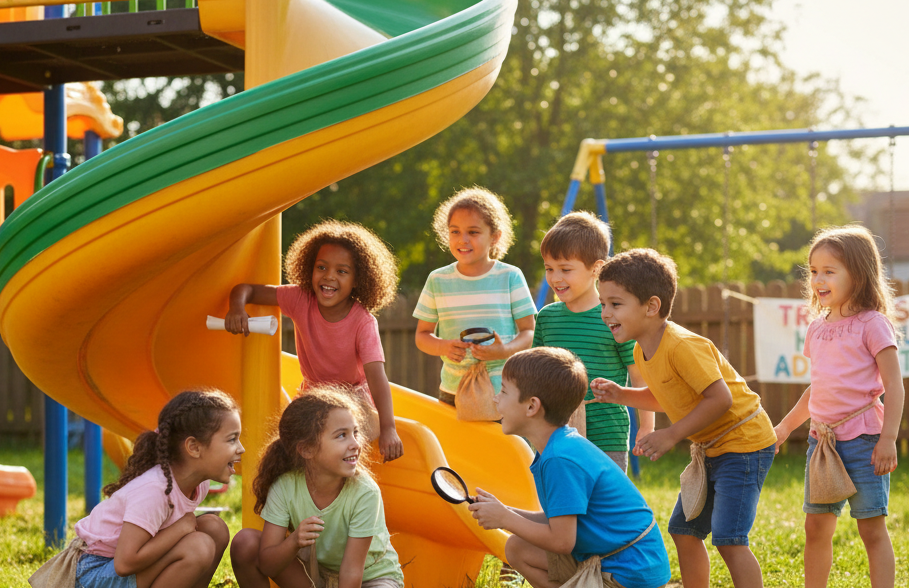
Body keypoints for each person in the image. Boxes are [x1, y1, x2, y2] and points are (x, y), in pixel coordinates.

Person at [590, 249, 779, 588]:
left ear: (652, 306)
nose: (605, 312)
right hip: (714, 447)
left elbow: (719, 398)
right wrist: (623, 394)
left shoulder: (681, 344)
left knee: (730, 538)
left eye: (615, 304)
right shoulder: (644, 348)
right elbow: (669, 394)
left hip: (743, 443)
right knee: (685, 530)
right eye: (603, 303)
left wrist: (673, 435)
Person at [465, 347, 683, 588]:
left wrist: (506, 518)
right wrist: (504, 512)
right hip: (609, 561)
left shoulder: (560, 460)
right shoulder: (556, 446)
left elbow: (562, 541)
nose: (496, 399)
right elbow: (560, 521)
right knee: (518, 549)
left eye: (503, 391)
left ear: (532, 406)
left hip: (630, 575)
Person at [771, 225, 905, 588]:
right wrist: (783, 428)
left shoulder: (873, 324)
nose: (818, 280)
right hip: (822, 442)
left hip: (865, 440)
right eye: (814, 271)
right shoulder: (817, 327)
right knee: (816, 527)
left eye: (830, 271)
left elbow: (895, 385)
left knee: (871, 527)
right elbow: (819, 389)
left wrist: (887, 439)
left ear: (859, 274)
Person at [228, 386, 413, 588]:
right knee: (245, 542)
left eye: (355, 433)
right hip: (319, 580)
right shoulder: (285, 487)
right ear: (306, 450)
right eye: (341, 435)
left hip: (370, 579)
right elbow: (267, 562)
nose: (355, 444)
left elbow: (352, 570)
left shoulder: (364, 491)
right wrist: (293, 543)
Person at [73, 390, 243, 588]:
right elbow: (125, 563)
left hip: (116, 577)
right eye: (232, 439)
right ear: (194, 447)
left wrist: (183, 530)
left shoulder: (197, 484)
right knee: (198, 544)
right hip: (95, 584)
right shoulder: (155, 490)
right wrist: (180, 531)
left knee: (214, 528)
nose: (241, 448)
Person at [225, 220, 404, 462]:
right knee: (289, 442)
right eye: (321, 267)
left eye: (342, 271)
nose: (329, 277)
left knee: (340, 440)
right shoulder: (300, 299)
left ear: (358, 280)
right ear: (310, 267)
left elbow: (377, 377)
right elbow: (245, 289)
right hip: (313, 393)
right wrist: (237, 309)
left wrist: (389, 428)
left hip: (353, 398)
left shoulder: (363, 322)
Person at [533, 210, 655, 469]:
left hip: (606, 437)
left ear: (596, 269)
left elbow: (639, 375)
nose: (555, 278)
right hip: (554, 435)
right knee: (559, 505)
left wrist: (647, 425)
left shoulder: (614, 319)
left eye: (565, 269)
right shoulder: (546, 317)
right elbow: (535, 377)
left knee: (605, 506)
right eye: (549, 268)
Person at [413, 186, 537, 406]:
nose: (463, 239)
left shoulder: (510, 277)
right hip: (453, 392)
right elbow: (422, 336)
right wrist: (444, 347)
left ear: (495, 237)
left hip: (504, 393)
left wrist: (504, 351)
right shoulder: (437, 280)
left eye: (473, 232)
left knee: (503, 442)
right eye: (455, 231)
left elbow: (529, 331)